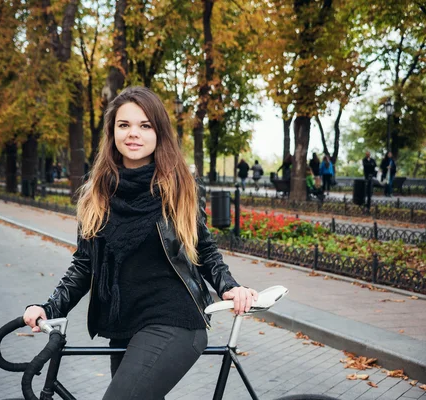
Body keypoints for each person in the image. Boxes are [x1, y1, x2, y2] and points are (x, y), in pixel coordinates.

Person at [22, 87, 258, 400]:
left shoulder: (180, 184)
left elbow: (202, 247)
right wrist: (49, 307)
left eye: (145, 125)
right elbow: (84, 264)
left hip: (174, 319)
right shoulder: (97, 192)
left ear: (159, 132)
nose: (134, 133)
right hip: (124, 325)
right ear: (112, 132)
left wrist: (229, 285)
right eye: (124, 125)